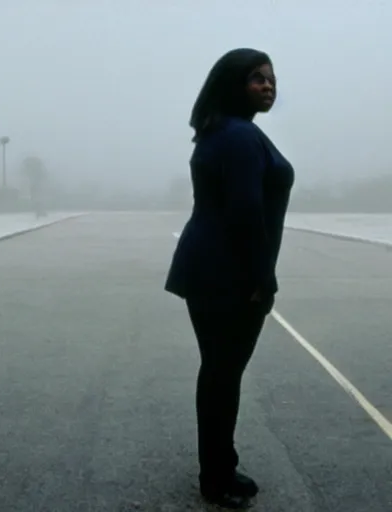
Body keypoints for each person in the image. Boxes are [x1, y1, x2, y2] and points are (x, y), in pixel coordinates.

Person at [164, 48, 295, 509]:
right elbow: (245, 212)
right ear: (233, 83)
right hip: (228, 274)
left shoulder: (223, 132)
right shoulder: (239, 137)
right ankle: (217, 477)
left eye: (271, 78)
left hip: (210, 268)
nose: (268, 85)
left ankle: (218, 467)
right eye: (256, 78)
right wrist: (264, 278)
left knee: (219, 372)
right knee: (223, 374)